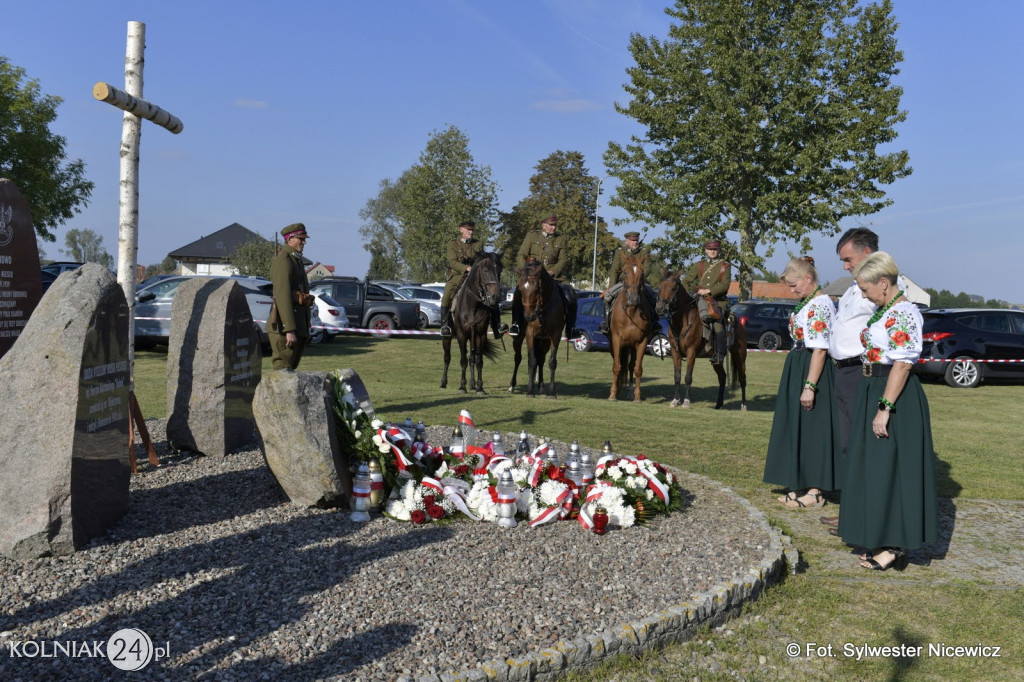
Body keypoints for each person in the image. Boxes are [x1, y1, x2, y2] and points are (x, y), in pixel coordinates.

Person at [837, 251, 937, 571]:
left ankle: (895, 546)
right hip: (873, 389)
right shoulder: (885, 310)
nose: (863, 295)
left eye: (866, 289)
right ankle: (878, 534)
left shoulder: (904, 313)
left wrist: (885, 408)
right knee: (875, 469)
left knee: (894, 469)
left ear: (884, 283)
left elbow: (904, 363)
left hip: (894, 396)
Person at [821, 227, 907, 530]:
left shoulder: (878, 291)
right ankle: (852, 507)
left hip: (863, 372)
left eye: (848, 258)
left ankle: (864, 512)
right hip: (844, 371)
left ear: (867, 254)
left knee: (861, 445)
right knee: (849, 444)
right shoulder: (852, 288)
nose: (845, 265)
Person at [762, 257, 842, 509]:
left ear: (808, 279)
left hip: (811, 367)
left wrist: (810, 385)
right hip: (798, 364)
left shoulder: (820, 304)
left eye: (794, 284)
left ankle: (816, 491)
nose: (792, 289)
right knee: (798, 425)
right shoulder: (807, 302)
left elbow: (819, 349)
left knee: (813, 429)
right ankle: (799, 482)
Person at [509, 214, 575, 336]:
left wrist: (552, 271)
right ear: (543, 225)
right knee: (518, 295)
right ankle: (516, 324)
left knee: (570, 296)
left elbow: (563, 260)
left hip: (552, 276)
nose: (553, 228)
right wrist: (526, 272)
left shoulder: (561, 239)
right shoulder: (532, 236)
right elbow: (521, 255)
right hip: (531, 276)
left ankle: (571, 328)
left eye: (555, 225)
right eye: (551, 225)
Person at [267, 223, 313, 370]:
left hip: (297, 327)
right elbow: (282, 297)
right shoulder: (284, 261)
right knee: (282, 373)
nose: (304, 242)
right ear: (290, 239)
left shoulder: (295, 260)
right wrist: (289, 330)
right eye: (301, 238)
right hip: (284, 329)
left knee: (290, 372)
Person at [597, 231, 657, 335]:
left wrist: (638, 278)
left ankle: (655, 323)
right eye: (633, 240)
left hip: (640, 283)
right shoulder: (620, 252)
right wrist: (611, 286)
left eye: (637, 240)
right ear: (627, 241)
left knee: (654, 297)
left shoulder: (644, 252)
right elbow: (614, 270)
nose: (635, 242)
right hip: (623, 283)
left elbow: (648, 268)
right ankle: (606, 323)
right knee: (607, 297)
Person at [681, 239, 731, 363]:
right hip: (699, 300)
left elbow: (725, 285)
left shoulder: (725, 265)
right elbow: (686, 281)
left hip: (717, 302)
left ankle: (719, 354)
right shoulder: (700, 265)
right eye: (710, 249)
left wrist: (709, 291)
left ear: (718, 250)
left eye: (714, 249)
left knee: (717, 323)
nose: (712, 251)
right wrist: (691, 293)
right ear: (705, 250)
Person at [440, 220, 489, 338]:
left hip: (475, 276)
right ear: (461, 229)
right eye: (468, 230)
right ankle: (445, 325)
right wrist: (466, 268)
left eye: (472, 230)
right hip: (457, 275)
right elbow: (452, 262)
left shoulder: (477, 244)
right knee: (446, 295)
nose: (471, 232)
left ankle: (497, 324)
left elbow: (481, 259)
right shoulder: (452, 244)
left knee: (491, 293)